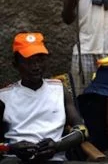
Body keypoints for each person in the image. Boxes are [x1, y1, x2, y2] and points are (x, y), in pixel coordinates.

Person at [0, 32, 89, 163]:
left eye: (40, 60)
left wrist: (58, 146)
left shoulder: (59, 89)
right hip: (16, 161)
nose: (36, 67)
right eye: (28, 62)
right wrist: (12, 148)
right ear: (15, 64)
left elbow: (82, 130)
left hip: (55, 159)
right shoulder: (4, 96)